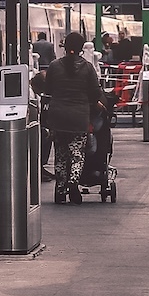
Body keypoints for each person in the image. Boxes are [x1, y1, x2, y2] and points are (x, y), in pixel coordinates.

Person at [33, 32, 110, 204]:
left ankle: (60, 191)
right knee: (77, 154)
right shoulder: (88, 68)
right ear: (82, 48)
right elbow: (95, 92)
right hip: (79, 117)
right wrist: (94, 103)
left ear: (65, 47)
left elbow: (49, 90)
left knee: (60, 155)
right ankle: (73, 183)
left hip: (58, 117)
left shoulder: (54, 66)